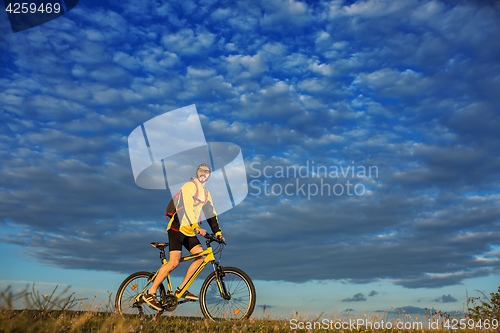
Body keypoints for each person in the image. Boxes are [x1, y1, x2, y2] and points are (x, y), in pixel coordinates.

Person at [142, 163, 224, 310]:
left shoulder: (205, 193)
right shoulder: (189, 186)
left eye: (207, 171)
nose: (203, 173)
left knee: (201, 257)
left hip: (189, 231)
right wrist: (196, 226)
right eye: (201, 170)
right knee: (174, 262)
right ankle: (151, 292)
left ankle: (181, 288)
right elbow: (186, 208)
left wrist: (217, 232)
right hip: (177, 227)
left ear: (209, 175)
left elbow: (211, 213)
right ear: (197, 172)